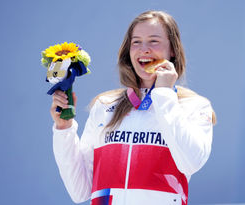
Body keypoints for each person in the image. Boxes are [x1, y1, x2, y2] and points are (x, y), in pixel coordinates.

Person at [51, 10, 216, 205]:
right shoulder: (105, 106)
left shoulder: (193, 106)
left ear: (172, 50)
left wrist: (164, 94)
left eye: (153, 41)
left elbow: (191, 162)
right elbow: (80, 190)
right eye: (136, 42)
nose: (144, 49)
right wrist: (64, 129)